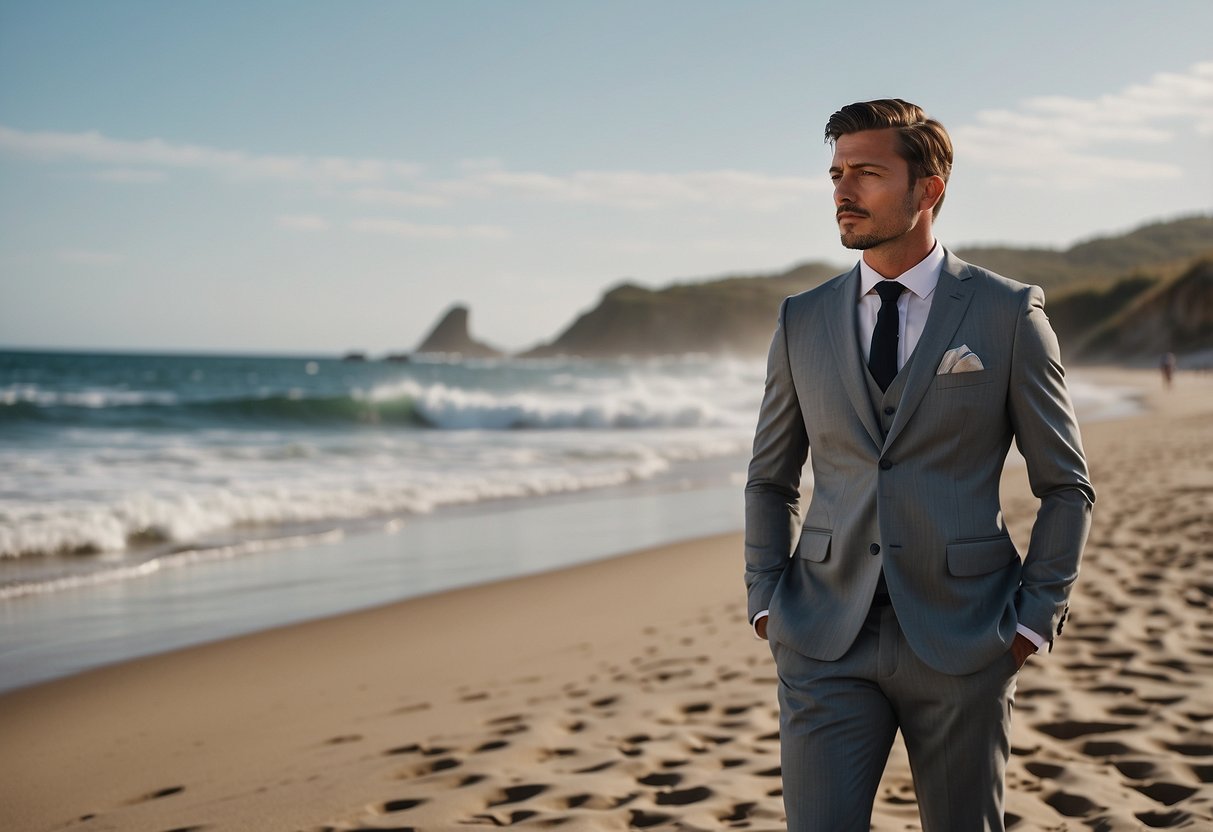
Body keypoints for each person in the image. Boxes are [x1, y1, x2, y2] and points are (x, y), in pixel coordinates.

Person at [744, 99, 1095, 831]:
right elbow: (770, 477)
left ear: (927, 188)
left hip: (965, 636)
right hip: (820, 633)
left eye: (866, 173)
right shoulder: (800, 319)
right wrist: (764, 599)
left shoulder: (1005, 313)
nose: (843, 192)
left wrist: (1035, 618)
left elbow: (1064, 485)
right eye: (836, 173)